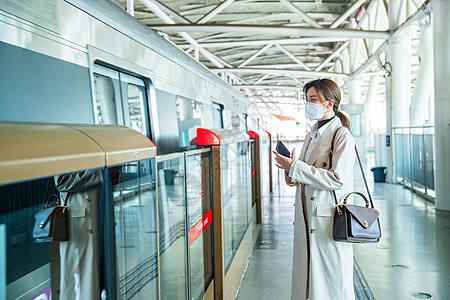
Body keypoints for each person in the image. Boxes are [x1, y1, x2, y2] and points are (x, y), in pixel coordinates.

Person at [273, 78, 356, 300]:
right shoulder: (311, 134)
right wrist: (289, 169)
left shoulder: (342, 136)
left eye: (312, 100)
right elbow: (302, 176)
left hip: (326, 219)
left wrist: (296, 168)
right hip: (306, 216)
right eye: (306, 99)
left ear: (329, 103)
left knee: (331, 280)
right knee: (307, 277)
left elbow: (338, 179)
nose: (307, 104)